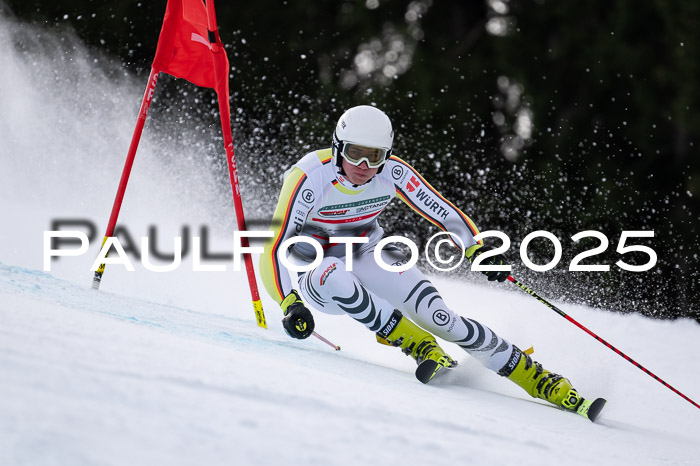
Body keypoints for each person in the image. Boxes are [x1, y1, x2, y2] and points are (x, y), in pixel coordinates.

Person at [259, 105, 588, 413]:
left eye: (374, 157)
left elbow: (440, 210)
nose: (363, 167)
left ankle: (539, 380)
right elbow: (273, 248)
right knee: (332, 272)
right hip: (318, 272)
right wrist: (290, 303)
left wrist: (475, 248)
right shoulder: (308, 178)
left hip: (367, 251)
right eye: (354, 153)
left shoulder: (393, 172)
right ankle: (418, 345)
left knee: (441, 318)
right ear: (337, 147)